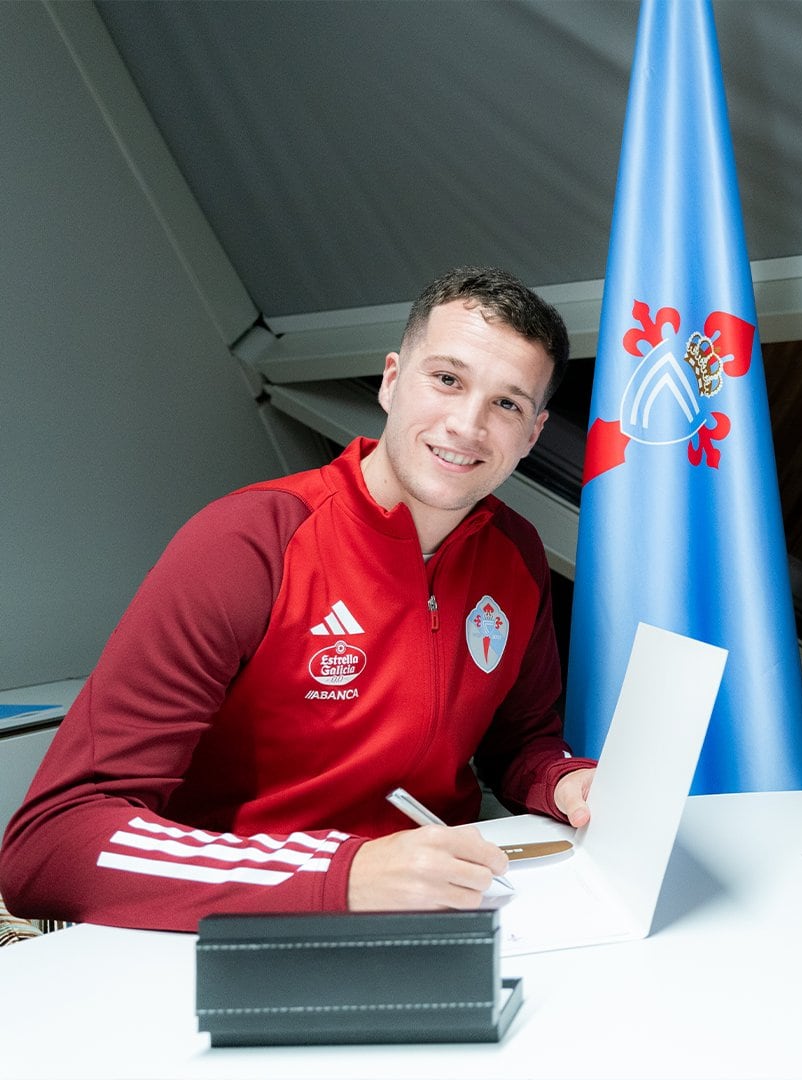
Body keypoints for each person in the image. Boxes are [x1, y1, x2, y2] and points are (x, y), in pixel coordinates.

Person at [0, 267, 597, 930]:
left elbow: (521, 744)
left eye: (507, 404)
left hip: (436, 916)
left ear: (535, 433)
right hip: (234, 929)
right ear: (393, 380)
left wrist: (563, 783)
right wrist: (340, 876)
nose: (467, 424)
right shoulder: (249, 542)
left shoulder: (513, 552)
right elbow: (50, 843)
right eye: (447, 379)